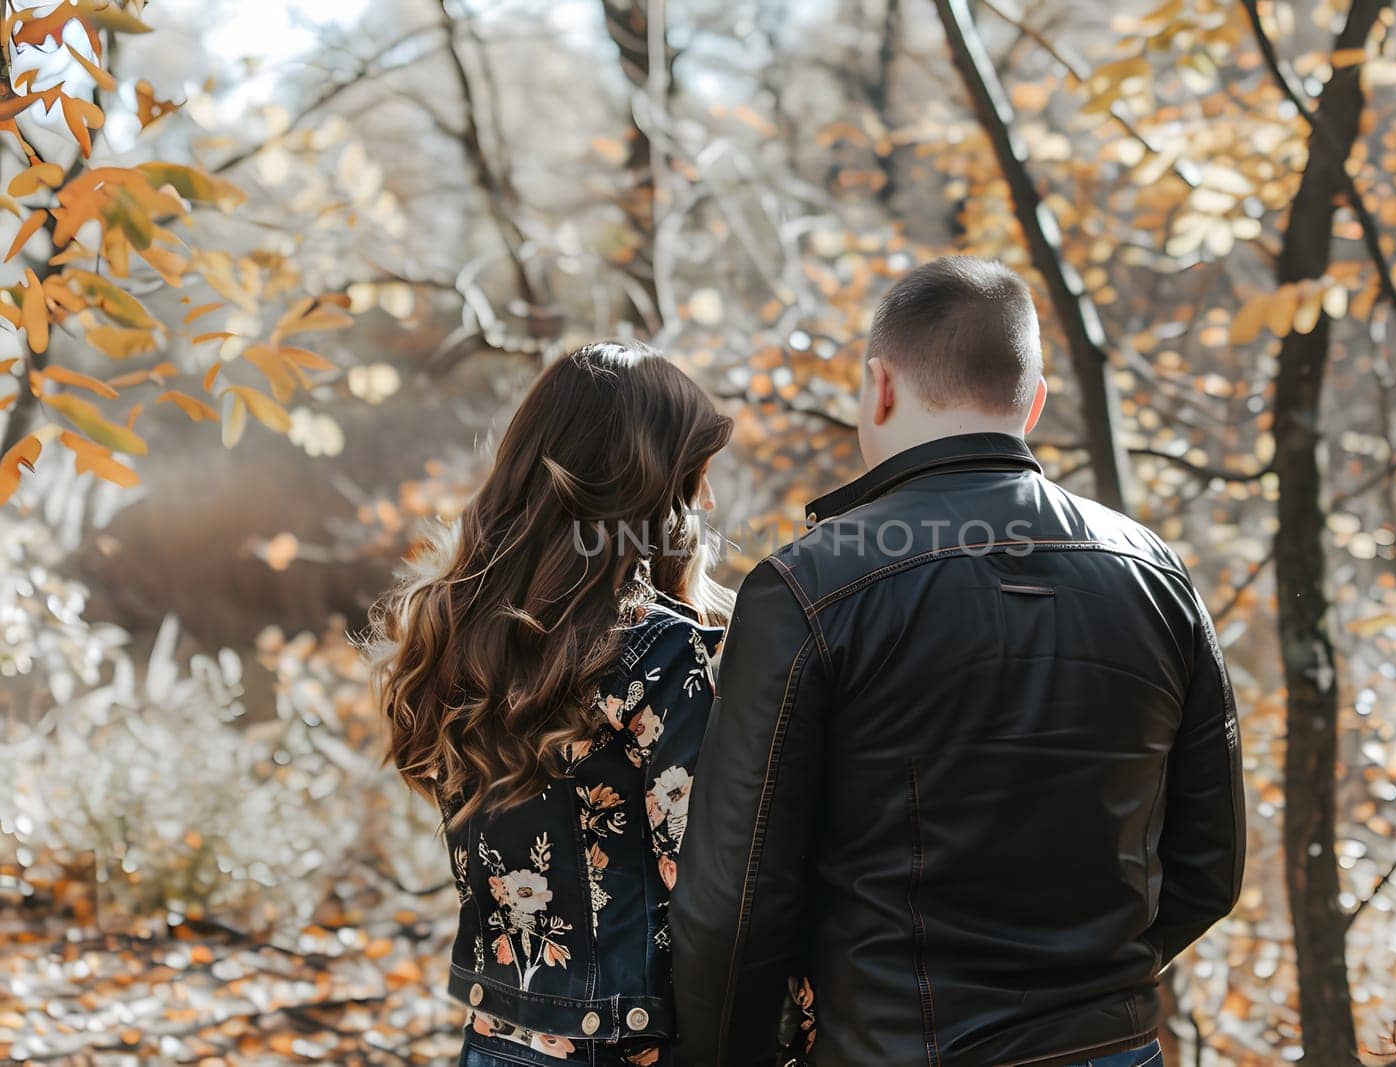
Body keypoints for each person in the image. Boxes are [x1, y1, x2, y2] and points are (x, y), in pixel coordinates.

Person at [672, 257, 1246, 1067]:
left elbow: (734, 903)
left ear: (879, 386)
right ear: (1033, 402)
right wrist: (1085, 996)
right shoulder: (1153, 570)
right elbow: (1208, 866)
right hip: (1111, 1049)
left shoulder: (806, 588)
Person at [370, 341, 734, 1067]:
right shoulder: (659, 654)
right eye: (694, 474)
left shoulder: (454, 638)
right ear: (645, 483)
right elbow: (711, 887)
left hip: (493, 1045)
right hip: (628, 1050)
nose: (708, 500)